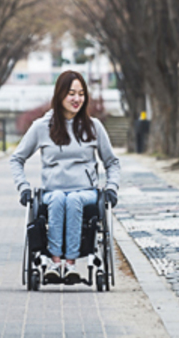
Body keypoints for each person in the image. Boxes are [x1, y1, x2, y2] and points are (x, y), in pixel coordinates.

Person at [10, 70, 120, 284]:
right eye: (71, 93)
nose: (77, 99)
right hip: (53, 192)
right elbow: (16, 159)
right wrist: (23, 187)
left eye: (81, 94)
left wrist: (112, 187)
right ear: (59, 95)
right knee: (60, 199)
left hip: (86, 192)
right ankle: (54, 261)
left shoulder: (94, 127)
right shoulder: (42, 127)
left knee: (74, 199)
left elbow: (112, 162)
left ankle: (70, 264)